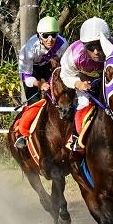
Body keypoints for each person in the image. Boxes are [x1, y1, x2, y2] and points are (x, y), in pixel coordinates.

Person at [13, 16, 70, 148]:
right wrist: (39, 84)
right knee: (36, 103)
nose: (50, 40)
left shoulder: (63, 45)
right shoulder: (29, 48)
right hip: (32, 73)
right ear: (39, 36)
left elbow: (67, 69)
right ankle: (23, 135)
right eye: (45, 36)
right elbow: (26, 78)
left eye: (54, 35)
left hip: (48, 68)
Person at [60, 17, 111, 151]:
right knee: (83, 104)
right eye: (91, 47)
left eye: (100, 45)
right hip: (84, 81)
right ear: (84, 45)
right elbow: (65, 75)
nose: (96, 52)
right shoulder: (73, 55)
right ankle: (77, 138)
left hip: (108, 80)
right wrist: (78, 84)